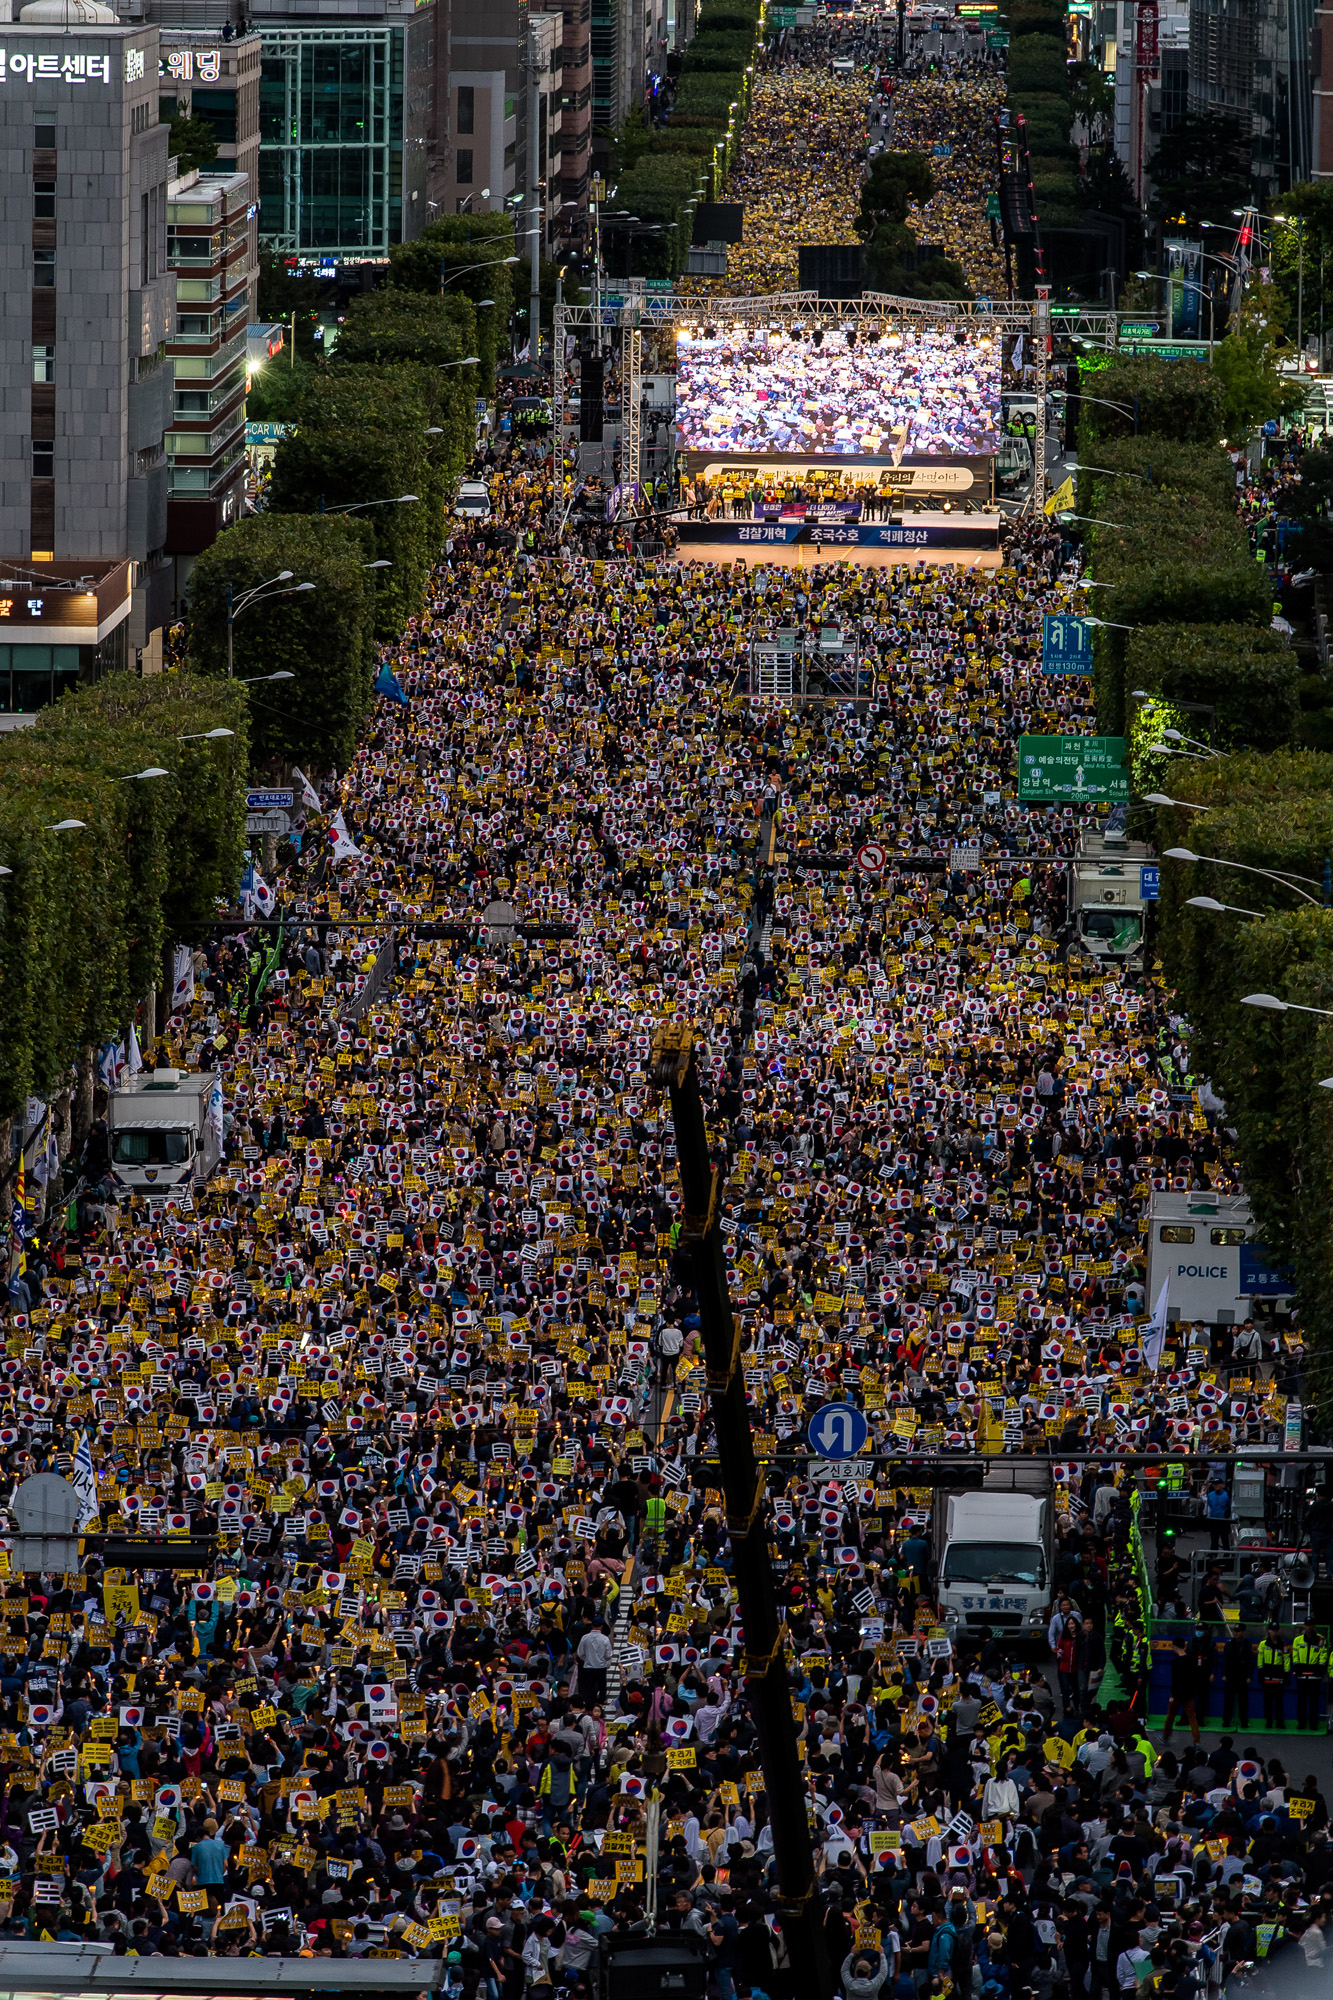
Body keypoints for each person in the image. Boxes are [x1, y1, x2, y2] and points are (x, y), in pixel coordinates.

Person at [1257, 1622, 1291, 1730]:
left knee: (1279, 1701)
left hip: (1279, 1674)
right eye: (1273, 1630)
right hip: (1267, 1673)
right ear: (1269, 1631)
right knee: (1268, 1701)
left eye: (1276, 1630)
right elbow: (1260, 1659)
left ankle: (1280, 1722)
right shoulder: (1263, 1644)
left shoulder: (1283, 1645)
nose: (1275, 1632)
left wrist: (1287, 1675)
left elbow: (1286, 1660)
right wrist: (1261, 1673)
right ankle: (1269, 1721)